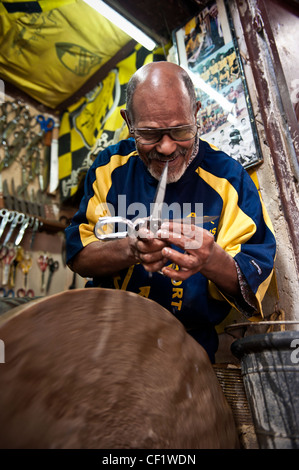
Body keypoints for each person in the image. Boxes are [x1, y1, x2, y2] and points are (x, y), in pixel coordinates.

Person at [65, 61, 276, 363]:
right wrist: (130, 249)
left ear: (196, 114)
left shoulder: (230, 179)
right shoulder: (109, 167)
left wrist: (211, 258)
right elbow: (79, 255)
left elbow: (252, 281)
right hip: (105, 340)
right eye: (150, 134)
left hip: (188, 352)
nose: (166, 148)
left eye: (180, 131)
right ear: (128, 122)